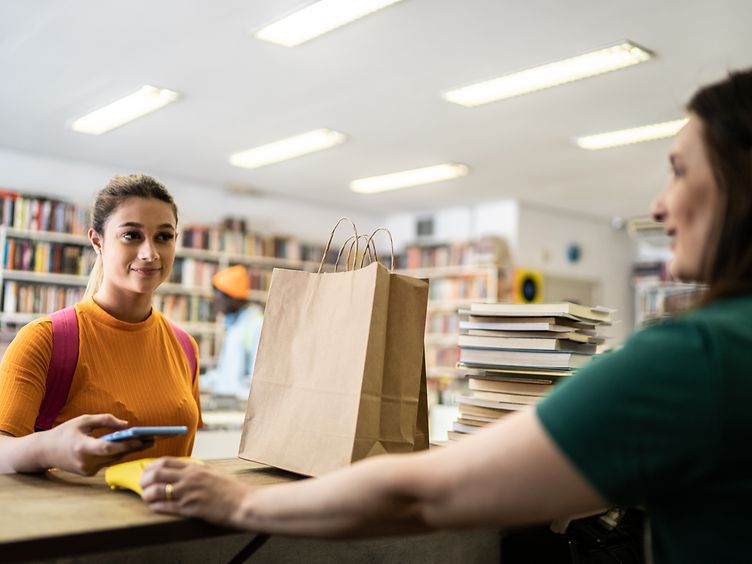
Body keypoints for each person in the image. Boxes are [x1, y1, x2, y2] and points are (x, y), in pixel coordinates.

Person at [140, 70, 752, 563]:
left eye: (678, 170)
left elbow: (428, 494)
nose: (659, 204)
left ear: (739, 183)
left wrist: (240, 506)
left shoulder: (697, 359)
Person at [0, 175, 202, 475]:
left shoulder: (185, 346)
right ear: (97, 241)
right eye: (132, 235)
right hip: (78, 521)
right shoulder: (44, 339)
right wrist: (49, 447)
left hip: (168, 519)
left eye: (164, 236)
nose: (150, 254)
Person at [200, 265, 263, 399]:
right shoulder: (234, 325)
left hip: (241, 407)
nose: (214, 300)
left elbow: (258, 382)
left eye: (217, 295)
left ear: (232, 297)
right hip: (227, 401)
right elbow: (226, 374)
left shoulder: (255, 325)